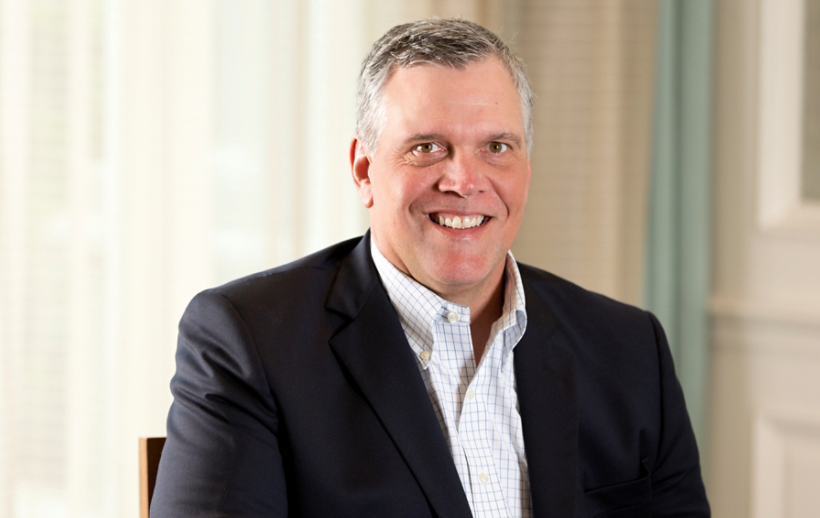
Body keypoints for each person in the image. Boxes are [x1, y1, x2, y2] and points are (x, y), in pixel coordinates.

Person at [150, 19, 709, 518]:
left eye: (496, 147)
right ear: (364, 170)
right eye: (427, 148)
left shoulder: (629, 348)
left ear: (527, 168)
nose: (464, 181)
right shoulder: (249, 343)